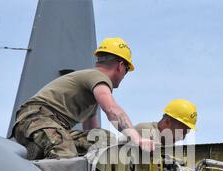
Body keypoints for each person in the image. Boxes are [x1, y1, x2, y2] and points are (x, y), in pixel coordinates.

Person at [11, 37, 155, 159]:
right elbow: (112, 109)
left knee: (104, 139)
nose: (125, 75)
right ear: (121, 66)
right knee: (65, 153)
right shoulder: (97, 77)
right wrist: (137, 138)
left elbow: (92, 131)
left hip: (53, 126)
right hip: (35, 119)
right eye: (127, 70)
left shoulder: (90, 91)